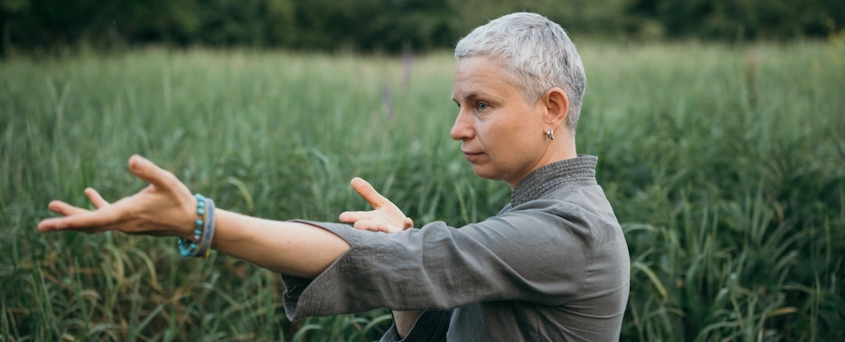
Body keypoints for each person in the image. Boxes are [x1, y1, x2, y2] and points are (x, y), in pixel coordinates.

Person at [38, 12, 630, 341]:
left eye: (481, 105)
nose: (458, 128)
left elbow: (429, 259)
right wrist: (407, 277)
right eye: (458, 105)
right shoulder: (537, 210)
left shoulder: (569, 232)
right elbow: (439, 297)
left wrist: (202, 221)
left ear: (552, 108)